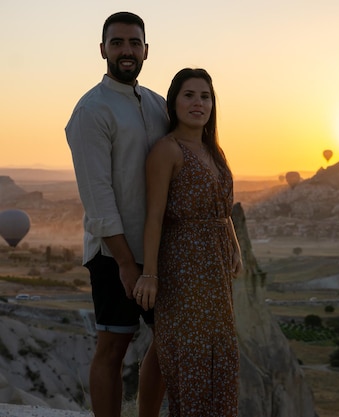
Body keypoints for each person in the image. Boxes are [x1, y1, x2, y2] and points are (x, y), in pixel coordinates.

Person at [65, 11, 168, 417]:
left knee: (168, 342)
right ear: (103, 50)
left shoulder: (159, 105)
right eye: (118, 43)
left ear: (146, 50)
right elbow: (98, 195)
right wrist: (126, 262)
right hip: (115, 255)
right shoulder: (91, 110)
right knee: (113, 346)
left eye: (134, 43)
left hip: (158, 252)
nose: (127, 51)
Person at [135, 68, 243, 416]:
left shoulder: (214, 151)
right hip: (183, 270)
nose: (198, 103)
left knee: (221, 356)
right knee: (192, 360)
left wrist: (235, 246)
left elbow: (222, 211)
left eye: (205, 97)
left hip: (216, 272)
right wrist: (149, 274)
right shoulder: (167, 151)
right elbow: (154, 217)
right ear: (174, 102)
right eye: (189, 95)